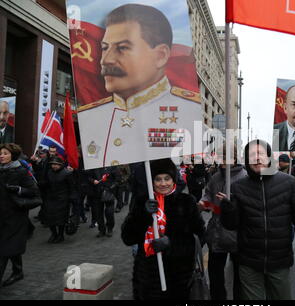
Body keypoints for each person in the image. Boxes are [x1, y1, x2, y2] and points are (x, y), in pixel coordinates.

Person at [77, 3, 201, 168]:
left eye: (122, 48)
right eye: (105, 48)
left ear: (160, 55)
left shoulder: (187, 111)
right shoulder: (91, 114)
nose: (106, 60)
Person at [219, 139, 295, 300]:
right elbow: (230, 225)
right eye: (252, 155)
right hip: (249, 262)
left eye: (261, 153)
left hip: (279, 262)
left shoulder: (289, 183)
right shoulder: (237, 187)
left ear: (269, 157)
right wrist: (228, 210)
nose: (257, 158)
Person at [121, 158, 205, 300]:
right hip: (147, 281)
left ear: (174, 179)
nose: (163, 183)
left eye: (167, 178)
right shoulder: (142, 201)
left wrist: (171, 244)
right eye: (158, 179)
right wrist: (143, 215)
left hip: (178, 279)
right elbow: (128, 238)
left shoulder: (186, 201)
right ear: (152, 181)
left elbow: (201, 237)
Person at [198, 147, 246, 300]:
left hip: (238, 234)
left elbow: (250, 205)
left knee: (240, 277)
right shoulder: (216, 177)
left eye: (228, 156)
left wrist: (232, 204)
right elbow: (208, 194)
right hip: (217, 233)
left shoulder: (245, 177)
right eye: (221, 156)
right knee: (215, 275)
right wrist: (203, 202)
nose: (224, 160)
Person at [0, 143, 40, 287]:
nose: (1, 156)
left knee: (3, 250)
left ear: (13, 155)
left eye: (5, 153)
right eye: (0, 153)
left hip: (15, 216)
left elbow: (34, 192)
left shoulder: (21, 171)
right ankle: (18, 272)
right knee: (11, 246)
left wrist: (18, 189)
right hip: (2, 216)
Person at [41, 156, 75, 243]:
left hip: (62, 199)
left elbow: (71, 187)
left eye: (56, 164)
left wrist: (71, 198)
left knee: (61, 219)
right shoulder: (49, 172)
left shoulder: (67, 173)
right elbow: (47, 184)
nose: (54, 166)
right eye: (53, 164)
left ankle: (60, 235)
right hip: (50, 198)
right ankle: (54, 234)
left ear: (61, 165)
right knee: (50, 217)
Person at [87, 166, 119, 238]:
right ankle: (101, 230)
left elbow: (117, 179)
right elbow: (88, 177)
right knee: (98, 213)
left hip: (108, 192)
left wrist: (111, 188)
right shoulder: (93, 166)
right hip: (96, 193)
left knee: (109, 212)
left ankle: (110, 228)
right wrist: (93, 181)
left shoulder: (111, 166)